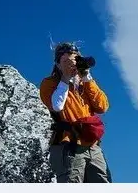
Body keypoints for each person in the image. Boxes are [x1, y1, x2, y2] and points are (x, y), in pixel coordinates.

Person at [39, 42, 112, 183]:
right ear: (58, 65)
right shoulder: (50, 83)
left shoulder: (84, 84)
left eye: (74, 60)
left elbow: (102, 106)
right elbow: (57, 105)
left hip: (93, 146)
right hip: (68, 144)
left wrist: (86, 76)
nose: (71, 64)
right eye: (65, 61)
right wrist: (65, 79)